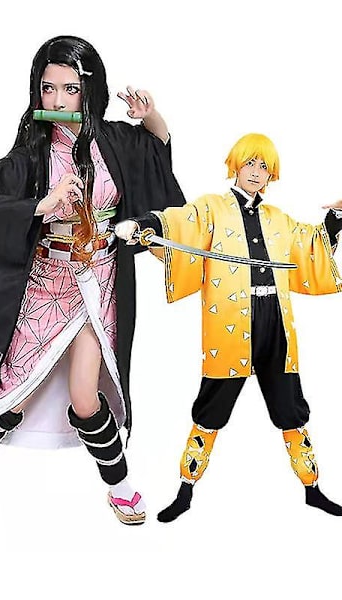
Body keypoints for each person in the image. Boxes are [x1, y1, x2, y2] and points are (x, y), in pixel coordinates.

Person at [0, 35, 185, 549]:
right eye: (48, 88)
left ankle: (120, 484)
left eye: (70, 88)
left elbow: (156, 153)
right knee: (9, 396)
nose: (59, 100)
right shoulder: (31, 154)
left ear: (90, 89)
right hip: (48, 286)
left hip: (99, 283)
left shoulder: (115, 140)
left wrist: (151, 117)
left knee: (86, 397)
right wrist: (39, 206)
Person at [115, 132, 342, 522]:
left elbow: (310, 247)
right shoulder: (211, 209)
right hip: (230, 325)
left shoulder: (278, 219)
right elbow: (178, 222)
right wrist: (141, 224)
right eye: (250, 163)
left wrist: (336, 219)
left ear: (271, 174)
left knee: (291, 409)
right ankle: (185, 491)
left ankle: (313, 489)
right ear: (236, 164)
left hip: (276, 324)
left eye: (264, 166)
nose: (256, 172)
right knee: (211, 409)